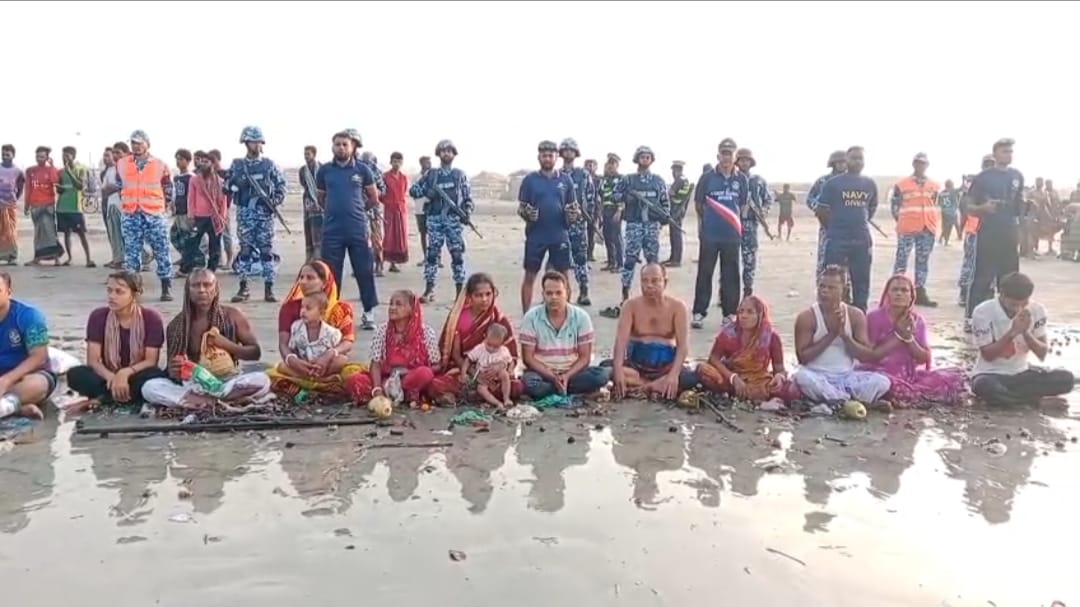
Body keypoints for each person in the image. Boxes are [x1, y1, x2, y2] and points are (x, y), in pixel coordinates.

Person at [140, 269, 272, 409]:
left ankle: (203, 401)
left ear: (215, 289)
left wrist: (227, 345)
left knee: (262, 380)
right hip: (194, 385)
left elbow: (255, 353)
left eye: (207, 285)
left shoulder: (233, 315)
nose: (202, 290)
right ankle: (217, 400)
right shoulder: (177, 326)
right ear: (188, 290)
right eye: (196, 285)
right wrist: (174, 370)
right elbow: (172, 372)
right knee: (149, 387)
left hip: (228, 381)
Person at [859, 274, 966, 406]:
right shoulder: (874, 318)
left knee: (958, 379)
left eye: (904, 290)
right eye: (895, 290)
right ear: (887, 294)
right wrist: (899, 337)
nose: (899, 294)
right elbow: (869, 356)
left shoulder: (917, 320)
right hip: (879, 372)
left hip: (908, 375)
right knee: (883, 385)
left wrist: (909, 338)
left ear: (911, 296)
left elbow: (923, 358)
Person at [969, 272, 1075, 406]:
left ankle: (1011, 399)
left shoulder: (1037, 309)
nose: (1018, 308)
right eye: (1013, 304)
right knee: (983, 386)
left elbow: (1042, 353)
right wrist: (1013, 332)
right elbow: (988, 355)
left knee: (1066, 379)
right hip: (991, 374)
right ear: (1001, 294)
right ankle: (1035, 402)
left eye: (1023, 304)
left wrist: (1026, 332)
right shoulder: (983, 311)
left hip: (1022, 372)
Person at [791, 266, 891, 404]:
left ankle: (838, 399)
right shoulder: (807, 317)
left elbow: (866, 355)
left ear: (843, 290)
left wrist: (845, 336)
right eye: (822, 286)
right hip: (816, 375)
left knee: (882, 382)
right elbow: (802, 358)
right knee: (803, 378)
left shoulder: (855, 315)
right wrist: (831, 335)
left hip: (846, 376)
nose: (824, 291)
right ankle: (846, 400)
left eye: (831, 288)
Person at [66, 271, 168, 405]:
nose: (112, 296)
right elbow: (93, 360)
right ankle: (117, 395)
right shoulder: (98, 316)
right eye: (109, 291)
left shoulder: (151, 318)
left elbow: (150, 361)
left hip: (135, 375)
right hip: (107, 376)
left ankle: (104, 398)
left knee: (154, 375)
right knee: (76, 374)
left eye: (119, 292)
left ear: (134, 294)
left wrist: (125, 373)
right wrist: (112, 378)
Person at [267, 260, 365, 397]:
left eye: (310, 278)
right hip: (301, 362)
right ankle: (323, 382)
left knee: (344, 363)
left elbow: (347, 342)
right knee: (282, 367)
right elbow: (283, 344)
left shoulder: (341, 308)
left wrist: (328, 355)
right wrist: (293, 361)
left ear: (325, 282)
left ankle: (309, 382)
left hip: (329, 363)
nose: (303, 282)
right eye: (301, 277)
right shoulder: (289, 308)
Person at [316, 130, 380, 330]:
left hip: (357, 230)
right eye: (337, 144)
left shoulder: (363, 170)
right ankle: (332, 312)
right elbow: (321, 198)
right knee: (331, 274)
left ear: (352, 147)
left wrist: (358, 211)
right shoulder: (324, 171)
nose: (341, 147)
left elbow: (373, 198)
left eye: (345, 144)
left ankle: (368, 312)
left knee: (364, 270)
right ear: (332, 146)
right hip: (332, 230)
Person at [604, 264, 697, 399]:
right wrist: (618, 371)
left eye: (655, 281)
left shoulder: (678, 307)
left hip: (665, 369)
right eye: (644, 281)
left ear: (665, 282)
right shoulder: (630, 306)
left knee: (691, 377)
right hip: (635, 368)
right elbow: (620, 343)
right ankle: (653, 386)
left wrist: (673, 375)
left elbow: (683, 347)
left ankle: (648, 386)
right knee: (606, 371)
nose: (649, 285)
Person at [429, 272, 523, 404]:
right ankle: (480, 395)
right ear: (469, 297)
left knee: (516, 387)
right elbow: (455, 355)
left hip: (495, 371)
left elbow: (511, 355)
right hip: (466, 369)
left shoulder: (498, 318)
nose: (484, 299)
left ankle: (472, 395)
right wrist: (475, 373)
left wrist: (499, 367)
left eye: (488, 294)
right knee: (435, 385)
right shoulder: (458, 318)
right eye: (479, 295)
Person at [520, 271, 611, 399]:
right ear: (543, 295)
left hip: (572, 372)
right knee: (531, 383)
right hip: (543, 373)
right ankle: (569, 390)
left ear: (567, 293)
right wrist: (552, 377)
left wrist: (566, 376)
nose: (554, 297)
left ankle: (558, 389)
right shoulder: (531, 317)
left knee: (600, 376)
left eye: (558, 293)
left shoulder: (581, 317)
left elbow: (585, 358)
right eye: (549, 293)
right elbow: (528, 358)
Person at [602, 145, 669, 317]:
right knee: (630, 261)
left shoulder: (658, 181)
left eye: (648, 157)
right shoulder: (628, 180)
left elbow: (664, 203)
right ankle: (625, 295)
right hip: (634, 224)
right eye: (642, 157)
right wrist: (627, 198)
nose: (645, 160)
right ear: (637, 159)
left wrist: (663, 219)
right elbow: (614, 195)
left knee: (653, 263)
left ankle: (655, 297)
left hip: (652, 225)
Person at [691, 138, 749, 329]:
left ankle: (730, 313)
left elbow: (742, 206)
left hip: (732, 235)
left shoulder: (741, 179)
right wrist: (705, 225)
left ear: (735, 157)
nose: (726, 157)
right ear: (718, 156)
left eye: (729, 153)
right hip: (710, 235)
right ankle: (699, 312)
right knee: (705, 272)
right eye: (723, 153)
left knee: (731, 274)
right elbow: (699, 204)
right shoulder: (707, 178)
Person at [696, 295, 798, 402]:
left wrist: (779, 377)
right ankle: (743, 395)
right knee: (703, 370)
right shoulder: (728, 334)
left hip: (759, 381)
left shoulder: (771, 337)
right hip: (731, 380)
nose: (743, 316)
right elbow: (713, 358)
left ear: (760, 315)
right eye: (741, 311)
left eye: (750, 312)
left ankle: (742, 396)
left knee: (792, 388)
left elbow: (779, 368)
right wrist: (733, 377)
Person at [346, 289, 441, 405]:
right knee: (354, 379)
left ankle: (406, 393)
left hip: (409, 380)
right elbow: (375, 363)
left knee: (425, 373)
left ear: (411, 309)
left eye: (398, 304)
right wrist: (377, 389)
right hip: (386, 379)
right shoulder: (382, 331)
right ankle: (389, 395)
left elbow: (436, 365)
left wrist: (408, 373)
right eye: (391, 303)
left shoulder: (426, 333)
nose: (392, 307)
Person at [226, 126, 287, 303]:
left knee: (266, 251)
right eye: (253, 141)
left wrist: (273, 201)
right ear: (246, 143)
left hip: (264, 214)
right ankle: (243, 288)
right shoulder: (238, 165)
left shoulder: (269, 165)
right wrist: (237, 184)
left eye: (259, 142)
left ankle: (269, 288)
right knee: (245, 251)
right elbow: (227, 186)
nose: (257, 145)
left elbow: (281, 186)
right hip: (245, 213)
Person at [965, 138, 1024, 320]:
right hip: (989, 232)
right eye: (1005, 151)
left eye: (1011, 151)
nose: (1009, 155)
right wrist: (982, 208)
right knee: (983, 276)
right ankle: (972, 318)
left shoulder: (1017, 176)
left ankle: (1008, 317)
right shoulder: (983, 177)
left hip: (1009, 232)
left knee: (1010, 277)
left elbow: (1018, 205)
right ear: (996, 153)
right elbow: (967, 204)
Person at [409, 139, 474, 302]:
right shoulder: (432, 175)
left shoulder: (459, 175)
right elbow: (413, 190)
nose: (446, 153)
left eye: (449, 151)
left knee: (457, 255)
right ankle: (429, 289)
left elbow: (468, 199)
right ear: (439, 154)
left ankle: (460, 292)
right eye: (443, 151)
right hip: (435, 219)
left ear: (454, 154)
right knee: (432, 255)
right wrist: (428, 193)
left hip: (453, 220)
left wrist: (466, 212)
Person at [517, 140, 577, 314]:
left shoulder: (566, 180)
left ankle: (567, 315)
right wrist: (526, 213)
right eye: (544, 155)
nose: (548, 158)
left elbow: (573, 207)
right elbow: (522, 207)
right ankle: (527, 315)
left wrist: (572, 215)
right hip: (536, 235)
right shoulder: (530, 180)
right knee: (530, 276)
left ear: (557, 157)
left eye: (551, 155)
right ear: (539, 157)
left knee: (564, 277)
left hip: (560, 234)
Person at [114, 130, 174, 300]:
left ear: (148, 144)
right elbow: (120, 186)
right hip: (131, 213)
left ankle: (166, 286)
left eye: (139, 143)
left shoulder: (160, 165)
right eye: (133, 143)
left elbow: (168, 189)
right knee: (131, 252)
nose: (136, 146)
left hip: (154, 213)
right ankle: (133, 288)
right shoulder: (122, 164)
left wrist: (162, 207)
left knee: (161, 249)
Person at [818, 146, 879, 311]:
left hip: (861, 240)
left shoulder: (869, 184)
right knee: (832, 281)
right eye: (854, 158)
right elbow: (822, 210)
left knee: (861, 282)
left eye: (861, 158)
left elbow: (871, 208)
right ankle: (832, 316)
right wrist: (835, 227)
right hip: (837, 240)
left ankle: (859, 318)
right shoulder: (833, 184)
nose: (857, 161)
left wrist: (857, 224)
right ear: (847, 160)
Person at [0, 273, 57, 420]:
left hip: (27, 374)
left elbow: (39, 356)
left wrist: (7, 380)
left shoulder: (29, 315)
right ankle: (15, 408)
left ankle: (9, 405)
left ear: (9, 292)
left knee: (37, 385)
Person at [890, 152, 940, 307]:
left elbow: (934, 203)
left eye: (923, 163)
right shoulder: (901, 184)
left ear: (927, 165)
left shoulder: (934, 185)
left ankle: (919, 291)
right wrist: (903, 220)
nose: (920, 166)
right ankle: (895, 291)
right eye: (918, 163)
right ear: (914, 164)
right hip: (907, 227)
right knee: (901, 260)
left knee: (922, 260)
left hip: (927, 227)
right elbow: (895, 207)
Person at [558, 137, 596, 305]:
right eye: (565, 150)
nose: (568, 153)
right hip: (559, 224)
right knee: (560, 259)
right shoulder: (556, 175)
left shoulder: (583, 174)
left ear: (575, 153)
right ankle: (562, 294)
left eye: (571, 150)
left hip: (579, 223)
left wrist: (588, 216)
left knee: (580, 258)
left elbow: (591, 197)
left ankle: (584, 291)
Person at [957, 155, 996, 308]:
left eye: (991, 164)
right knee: (970, 263)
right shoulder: (976, 184)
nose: (989, 167)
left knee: (992, 263)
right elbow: (965, 208)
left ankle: (988, 292)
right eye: (987, 164)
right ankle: (965, 292)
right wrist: (961, 228)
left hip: (994, 231)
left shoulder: (1000, 185)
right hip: (974, 230)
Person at [735, 147, 772, 297]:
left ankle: (747, 290)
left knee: (749, 259)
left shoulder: (758, 181)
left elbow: (768, 199)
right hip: (733, 224)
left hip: (750, 224)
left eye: (747, 160)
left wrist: (763, 211)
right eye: (742, 160)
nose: (744, 163)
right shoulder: (732, 179)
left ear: (751, 163)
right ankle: (726, 291)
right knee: (730, 260)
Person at [183, 151, 228, 274]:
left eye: (206, 161)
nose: (203, 164)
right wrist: (191, 215)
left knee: (214, 245)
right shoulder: (195, 180)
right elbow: (191, 199)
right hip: (199, 217)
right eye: (202, 161)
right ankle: (186, 268)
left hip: (215, 218)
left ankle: (211, 269)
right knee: (191, 242)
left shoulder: (219, 181)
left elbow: (223, 200)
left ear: (212, 164)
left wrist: (222, 217)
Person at [806, 150, 847, 275]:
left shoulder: (852, 181)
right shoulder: (823, 181)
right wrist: (818, 207)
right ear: (833, 163)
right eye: (838, 162)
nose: (841, 165)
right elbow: (810, 198)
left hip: (847, 228)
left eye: (843, 162)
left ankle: (845, 291)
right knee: (824, 261)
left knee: (846, 263)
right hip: (827, 226)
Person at [23, 146, 64, 266]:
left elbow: (54, 181)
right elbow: (28, 188)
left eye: (42, 156)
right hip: (35, 205)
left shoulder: (52, 169)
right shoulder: (30, 171)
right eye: (37, 156)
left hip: (48, 205)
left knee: (50, 232)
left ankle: (56, 258)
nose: (39, 159)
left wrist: (51, 166)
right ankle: (37, 258)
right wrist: (26, 205)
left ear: (47, 157)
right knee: (38, 233)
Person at [54, 145, 94, 267]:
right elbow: (59, 190)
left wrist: (69, 172)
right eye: (63, 155)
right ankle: (70, 258)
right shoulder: (60, 172)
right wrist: (59, 188)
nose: (64, 158)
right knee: (66, 233)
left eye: (67, 156)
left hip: (75, 208)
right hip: (62, 207)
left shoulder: (80, 169)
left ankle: (88, 259)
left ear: (73, 156)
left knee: (81, 233)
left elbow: (80, 186)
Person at [461, 324, 515, 410]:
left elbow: (511, 362)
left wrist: (510, 370)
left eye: (496, 347)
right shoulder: (480, 349)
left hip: (498, 376)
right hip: (483, 377)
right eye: (489, 345)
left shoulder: (504, 351)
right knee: (480, 389)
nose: (491, 349)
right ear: (485, 337)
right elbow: (468, 360)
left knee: (505, 375)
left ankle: (506, 398)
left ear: (502, 344)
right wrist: (463, 373)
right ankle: (497, 403)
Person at [286, 292, 345, 370]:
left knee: (341, 360)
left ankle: (323, 378)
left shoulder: (331, 333)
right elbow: (293, 349)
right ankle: (309, 376)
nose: (303, 311)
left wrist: (327, 360)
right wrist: (298, 362)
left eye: (308, 308)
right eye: (302, 307)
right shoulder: (296, 327)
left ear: (321, 313)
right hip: (303, 366)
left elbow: (337, 352)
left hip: (324, 367)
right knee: (283, 365)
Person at [169, 148, 198, 274]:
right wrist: (172, 203)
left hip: (188, 212)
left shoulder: (191, 177)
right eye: (177, 159)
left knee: (188, 238)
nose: (178, 162)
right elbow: (176, 193)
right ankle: (185, 257)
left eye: (181, 159)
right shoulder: (177, 178)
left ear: (188, 161)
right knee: (175, 235)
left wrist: (193, 213)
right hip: (179, 211)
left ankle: (189, 264)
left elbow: (194, 196)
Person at [381, 151, 410, 272]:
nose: (396, 164)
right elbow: (380, 193)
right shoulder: (385, 176)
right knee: (388, 237)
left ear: (402, 163)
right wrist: (387, 202)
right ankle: (380, 263)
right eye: (394, 161)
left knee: (399, 237)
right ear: (390, 162)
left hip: (401, 210)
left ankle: (393, 264)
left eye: (399, 161)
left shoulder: (404, 178)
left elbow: (404, 193)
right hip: (389, 209)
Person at [359, 150, 386, 276]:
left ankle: (379, 265)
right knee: (362, 240)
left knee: (376, 239)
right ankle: (365, 266)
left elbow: (383, 191)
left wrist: (372, 194)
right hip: (360, 210)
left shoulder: (376, 173)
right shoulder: (357, 172)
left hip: (374, 211)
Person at [663, 160, 693, 267]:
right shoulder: (685, 180)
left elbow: (670, 193)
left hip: (676, 210)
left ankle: (676, 259)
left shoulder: (679, 180)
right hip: (679, 210)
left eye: (673, 170)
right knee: (675, 234)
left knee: (675, 235)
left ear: (676, 170)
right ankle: (673, 257)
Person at [100, 145, 126, 269]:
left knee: (124, 233)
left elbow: (121, 186)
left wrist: (113, 188)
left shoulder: (121, 169)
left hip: (120, 204)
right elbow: (104, 189)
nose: (106, 158)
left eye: (108, 155)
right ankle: (117, 259)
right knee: (114, 234)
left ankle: (143, 256)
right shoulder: (107, 171)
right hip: (110, 204)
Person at [598, 153, 624, 272]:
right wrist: (600, 213)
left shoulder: (621, 179)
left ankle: (620, 264)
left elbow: (623, 197)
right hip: (606, 211)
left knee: (616, 238)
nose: (610, 166)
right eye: (609, 164)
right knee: (607, 237)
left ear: (617, 165)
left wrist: (619, 211)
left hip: (615, 210)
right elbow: (601, 196)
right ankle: (611, 262)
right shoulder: (605, 180)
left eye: (613, 164)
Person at [0, 144, 25, 265]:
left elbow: (20, 187)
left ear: (13, 156)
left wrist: (15, 198)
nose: (5, 157)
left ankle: (12, 256)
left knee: (11, 230)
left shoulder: (18, 171)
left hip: (10, 205)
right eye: (3, 154)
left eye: (7, 154)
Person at [299, 145, 323, 261]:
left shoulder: (322, 168)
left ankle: (318, 258)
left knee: (318, 232)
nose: (306, 156)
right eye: (305, 154)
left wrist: (318, 200)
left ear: (314, 154)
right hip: (308, 202)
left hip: (320, 204)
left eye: (308, 154)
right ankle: (309, 258)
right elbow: (304, 184)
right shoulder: (303, 170)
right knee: (309, 230)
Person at [413, 155, 433, 267]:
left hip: (433, 210)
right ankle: (426, 257)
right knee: (423, 234)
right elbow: (414, 192)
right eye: (426, 162)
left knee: (434, 234)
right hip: (420, 209)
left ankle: (436, 258)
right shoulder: (417, 177)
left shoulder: (434, 176)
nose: (429, 164)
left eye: (429, 162)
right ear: (421, 163)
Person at [584, 157, 601, 261]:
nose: (590, 167)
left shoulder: (598, 180)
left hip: (593, 209)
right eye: (588, 164)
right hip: (581, 209)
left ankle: (590, 254)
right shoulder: (581, 177)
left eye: (592, 165)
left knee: (591, 233)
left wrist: (599, 213)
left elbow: (600, 197)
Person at [938, 179, 961, 246]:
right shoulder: (953, 191)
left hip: (944, 211)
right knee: (950, 227)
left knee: (945, 226)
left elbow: (939, 203)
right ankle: (946, 241)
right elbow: (962, 188)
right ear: (951, 185)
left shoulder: (941, 193)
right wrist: (963, 180)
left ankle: (941, 238)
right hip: (951, 212)